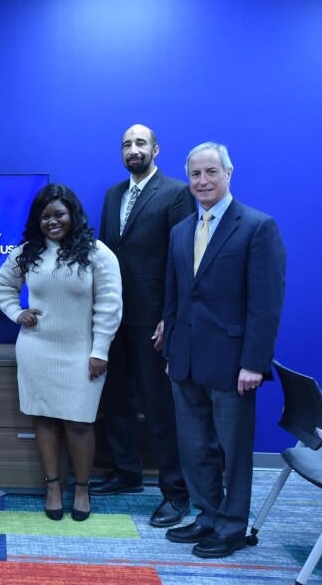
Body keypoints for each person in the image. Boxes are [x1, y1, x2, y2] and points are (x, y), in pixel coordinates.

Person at [162, 142, 285, 559]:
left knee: (233, 451)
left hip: (235, 365)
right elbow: (175, 297)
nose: (203, 181)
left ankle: (232, 526)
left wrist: (255, 362)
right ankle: (208, 514)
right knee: (195, 447)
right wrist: (171, 351)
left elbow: (265, 303)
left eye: (211, 172)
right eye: (195, 174)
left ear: (229, 173)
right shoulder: (180, 230)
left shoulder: (256, 226)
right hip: (186, 361)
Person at [0, 184, 122, 522]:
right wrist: (16, 312)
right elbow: (1, 285)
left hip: (83, 354)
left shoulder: (97, 252)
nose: (52, 221)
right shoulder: (27, 252)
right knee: (45, 419)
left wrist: (100, 351)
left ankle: (81, 488)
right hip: (37, 350)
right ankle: (53, 487)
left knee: (79, 423)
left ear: (72, 215)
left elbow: (110, 306)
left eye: (59, 214)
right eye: (45, 216)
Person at [93, 124, 195, 528]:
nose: (133, 149)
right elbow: (104, 257)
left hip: (153, 321)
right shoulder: (113, 194)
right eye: (126, 144)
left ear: (155, 149)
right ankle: (126, 473)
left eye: (140, 143)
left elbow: (182, 261)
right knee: (115, 402)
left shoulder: (175, 193)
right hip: (113, 316)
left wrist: (169, 318)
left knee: (159, 408)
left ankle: (176, 492)